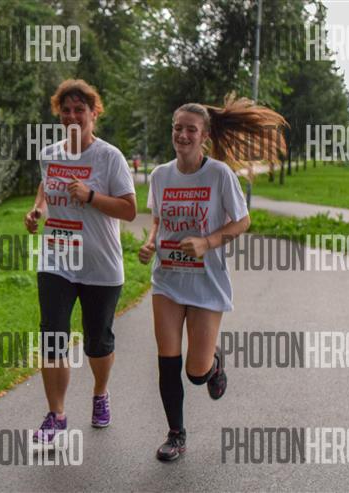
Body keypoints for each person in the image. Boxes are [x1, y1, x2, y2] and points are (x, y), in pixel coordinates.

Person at [138, 96, 286, 461]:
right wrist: (151, 242)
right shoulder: (160, 175)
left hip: (207, 281)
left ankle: (213, 363)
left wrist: (207, 242)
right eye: (178, 128)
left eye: (191, 129)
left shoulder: (219, 174)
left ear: (204, 136)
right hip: (167, 279)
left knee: (196, 373)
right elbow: (158, 219)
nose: (183, 135)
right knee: (167, 361)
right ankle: (176, 434)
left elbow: (243, 221)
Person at [24, 79, 136, 446]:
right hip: (56, 258)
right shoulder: (49, 153)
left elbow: (129, 209)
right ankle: (56, 415)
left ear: (94, 113)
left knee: (97, 341)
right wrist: (37, 209)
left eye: (79, 110)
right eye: (66, 110)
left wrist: (90, 196)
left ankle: (100, 393)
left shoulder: (109, 157)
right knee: (52, 334)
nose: (72, 117)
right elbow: (46, 184)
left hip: (100, 263)